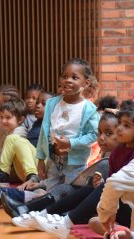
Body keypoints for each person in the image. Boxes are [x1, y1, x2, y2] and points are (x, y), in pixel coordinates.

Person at [9, 101, 134, 239]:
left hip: (133, 211)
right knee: (89, 190)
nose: (119, 128)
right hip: (115, 205)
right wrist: (101, 183)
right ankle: (43, 214)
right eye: (120, 123)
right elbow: (113, 182)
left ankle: (65, 222)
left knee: (101, 190)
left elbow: (122, 186)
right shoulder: (117, 152)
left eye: (126, 126)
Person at [35, 58, 100, 193]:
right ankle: (48, 212)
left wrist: (71, 143)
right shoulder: (52, 104)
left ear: (86, 83)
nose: (68, 80)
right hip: (53, 159)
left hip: (75, 163)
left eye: (74, 77)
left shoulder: (89, 109)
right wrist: (41, 158)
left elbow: (94, 135)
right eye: (65, 76)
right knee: (51, 193)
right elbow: (44, 131)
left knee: (69, 194)